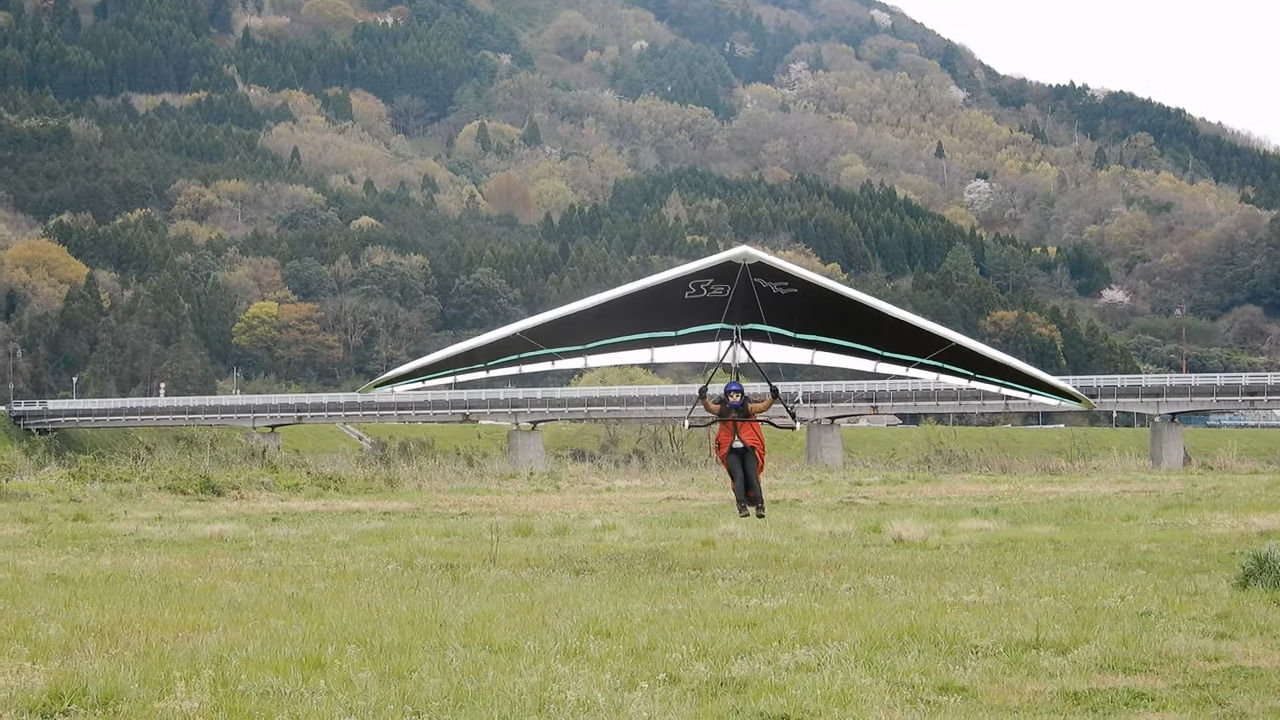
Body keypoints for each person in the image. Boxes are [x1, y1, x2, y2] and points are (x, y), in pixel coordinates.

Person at [699, 380, 778, 518]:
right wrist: (703, 398)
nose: (734, 398)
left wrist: (773, 398)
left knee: (752, 475)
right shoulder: (722, 409)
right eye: (731, 396)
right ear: (727, 397)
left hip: (748, 449)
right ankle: (741, 505)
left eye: (737, 395)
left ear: (742, 396)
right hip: (731, 450)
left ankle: (760, 505)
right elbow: (710, 408)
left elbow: (762, 407)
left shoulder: (748, 408)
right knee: (738, 476)